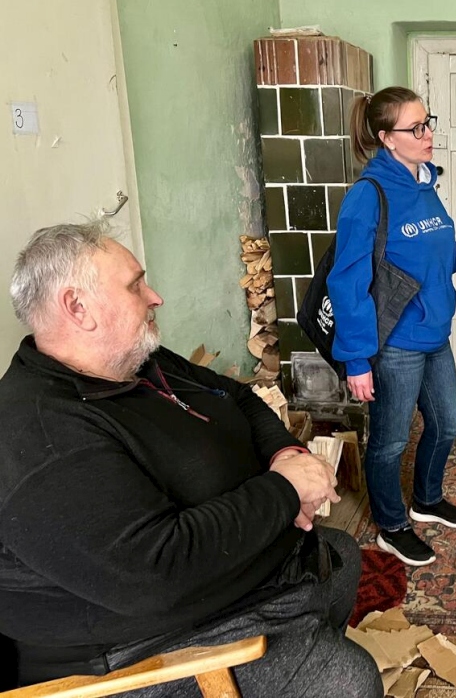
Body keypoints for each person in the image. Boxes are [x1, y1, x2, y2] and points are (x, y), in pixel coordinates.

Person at [0, 222, 381, 696]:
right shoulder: (40, 435)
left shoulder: (136, 361)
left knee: (339, 557)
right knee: (348, 680)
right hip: (139, 644)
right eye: (136, 284)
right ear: (78, 308)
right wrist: (284, 491)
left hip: (232, 571)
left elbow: (238, 396)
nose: (155, 296)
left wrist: (287, 454)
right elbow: (154, 574)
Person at [327, 87, 456, 567]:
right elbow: (349, 282)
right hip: (396, 341)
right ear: (386, 138)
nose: (428, 134)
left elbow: (423, 260)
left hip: (435, 334)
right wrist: (356, 359)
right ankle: (392, 526)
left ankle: (427, 499)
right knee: (391, 439)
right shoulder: (369, 195)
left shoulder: (426, 184)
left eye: (428, 123)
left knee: (447, 422)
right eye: (415, 128)